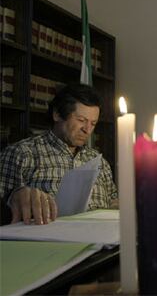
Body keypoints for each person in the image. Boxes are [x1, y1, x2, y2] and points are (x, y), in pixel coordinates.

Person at [0, 83, 117, 225]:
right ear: (57, 114)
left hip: (102, 241)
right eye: (81, 120)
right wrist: (14, 197)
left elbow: (113, 203)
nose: (88, 130)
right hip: (47, 242)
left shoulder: (100, 162)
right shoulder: (22, 154)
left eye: (93, 123)